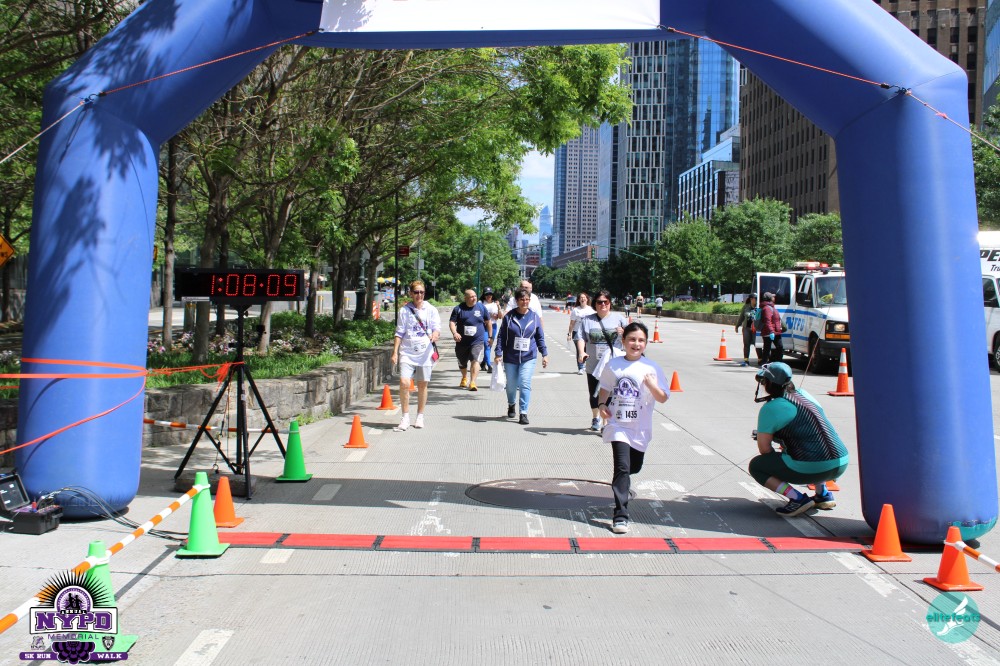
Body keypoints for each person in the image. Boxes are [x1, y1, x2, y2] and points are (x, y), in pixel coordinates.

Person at [597, 322, 670, 534]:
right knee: (621, 467)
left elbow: (663, 397)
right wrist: (602, 405)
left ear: (645, 343)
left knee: (633, 467)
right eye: (632, 339)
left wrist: (652, 385)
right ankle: (620, 515)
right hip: (618, 425)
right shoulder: (614, 365)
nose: (636, 344)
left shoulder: (652, 368)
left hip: (640, 427)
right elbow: (605, 387)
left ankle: (624, 482)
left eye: (641, 340)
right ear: (624, 341)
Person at [749, 362, 849, 516]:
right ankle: (823, 494)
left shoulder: (771, 408)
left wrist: (776, 441)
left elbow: (765, 449)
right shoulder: (803, 394)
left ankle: (797, 499)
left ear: (769, 384)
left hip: (814, 467)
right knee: (812, 447)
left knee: (757, 466)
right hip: (840, 462)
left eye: (763, 382)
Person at [575, 289, 629, 432]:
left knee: (610, 394)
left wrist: (624, 333)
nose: (603, 304)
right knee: (594, 393)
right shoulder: (587, 320)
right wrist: (581, 352)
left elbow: (631, 339)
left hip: (613, 365)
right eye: (599, 302)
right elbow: (580, 338)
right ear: (595, 304)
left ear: (610, 303)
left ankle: (606, 423)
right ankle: (595, 417)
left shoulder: (619, 319)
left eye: (606, 302)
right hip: (594, 364)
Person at [391, 280, 441, 431]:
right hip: (407, 352)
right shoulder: (404, 311)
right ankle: (405, 417)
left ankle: (420, 415)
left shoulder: (431, 309)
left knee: (422, 384)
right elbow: (399, 332)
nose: (419, 295)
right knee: (404, 382)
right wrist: (395, 352)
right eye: (416, 292)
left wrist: (435, 335)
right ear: (411, 293)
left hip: (425, 353)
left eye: (422, 292)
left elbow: (436, 328)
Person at [495, 287, 548, 425]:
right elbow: (501, 336)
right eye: (522, 299)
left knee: (525, 383)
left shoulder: (534, 317)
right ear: (516, 301)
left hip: (528, 356)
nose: (525, 302)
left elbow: (540, 337)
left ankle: (523, 413)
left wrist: (544, 354)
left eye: (527, 299)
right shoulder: (509, 317)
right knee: (511, 385)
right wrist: (498, 352)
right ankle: (511, 404)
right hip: (510, 356)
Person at [449, 289, 490, 391]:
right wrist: (455, 333)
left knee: (475, 359)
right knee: (462, 362)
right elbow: (452, 322)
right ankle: (464, 377)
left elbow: (488, 322)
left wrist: (490, 337)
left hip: (477, 340)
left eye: (475, 296)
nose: (474, 298)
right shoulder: (458, 309)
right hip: (462, 341)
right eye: (471, 296)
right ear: (465, 298)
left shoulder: (481, 307)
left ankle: (473, 382)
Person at [566, 292, 595, 375]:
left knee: (587, 350)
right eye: (581, 298)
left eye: (584, 297)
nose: (583, 299)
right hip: (577, 332)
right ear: (579, 300)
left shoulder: (591, 310)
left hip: (588, 332)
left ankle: (585, 364)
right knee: (580, 350)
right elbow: (572, 323)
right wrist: (569, 333)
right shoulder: (576, 310)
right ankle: (581, 367)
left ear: (587, 299)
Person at [734, 293, 762, 367]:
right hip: (747, 328)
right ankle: (746, 360)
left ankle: (760, 360)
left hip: (756, 329)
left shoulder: (759, 307)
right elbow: (741, 317)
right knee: (746, 344)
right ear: (751, 299)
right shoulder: (746, 307)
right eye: (756, 299)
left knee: (757, 344)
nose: (757, 300)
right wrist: (737, 326)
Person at [758, 292, 784, 365]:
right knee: (769, 348)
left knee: (776, 347)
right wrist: (771, 331)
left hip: (775, 331)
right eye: (773, 297)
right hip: (770, 332)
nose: (774, 298)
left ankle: (776, 362)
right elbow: (767, 321)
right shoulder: (767, 308)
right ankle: (766, 363)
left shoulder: (770, 307)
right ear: (769, 298)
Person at [480, 287, 500, 373]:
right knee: (486, 344)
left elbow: (499, 317)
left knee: (489, 345)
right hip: (483, 326)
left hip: (493, 326)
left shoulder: (495, 303)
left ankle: (483, 363)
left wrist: (498, 307)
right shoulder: (480, 303)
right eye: (487, 294)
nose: (489, 296)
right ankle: (489, 365)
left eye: (490, 294)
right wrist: (488, 315)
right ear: (484, 295)